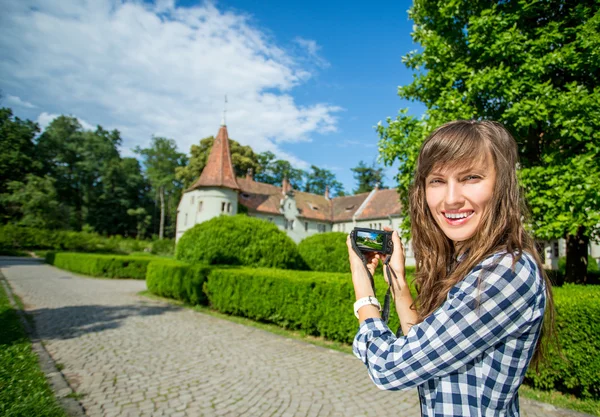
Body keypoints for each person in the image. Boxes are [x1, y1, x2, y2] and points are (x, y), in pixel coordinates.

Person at [346, 120, 554, 417]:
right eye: (437, 181)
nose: (452, 198)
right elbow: (423, 347)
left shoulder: (505, 273)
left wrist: (362, 287)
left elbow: (389, 367)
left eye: (471, 177)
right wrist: (398, 282)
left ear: (501, 184)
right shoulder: (470, 262)